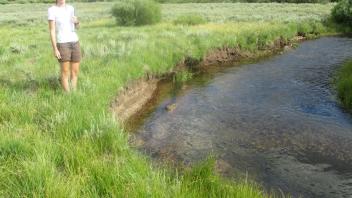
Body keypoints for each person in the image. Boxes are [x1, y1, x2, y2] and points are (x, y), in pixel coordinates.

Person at [48, 0, 81, 92]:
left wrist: (77, 22)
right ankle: (67, 96)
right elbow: (52, 30)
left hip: (75, 41)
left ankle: (73, 94)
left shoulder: (71, 8)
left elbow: (77, 27)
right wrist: (55, 49)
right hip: (62, 43)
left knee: (75, 72)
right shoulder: (52, 10)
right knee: (65, 72)